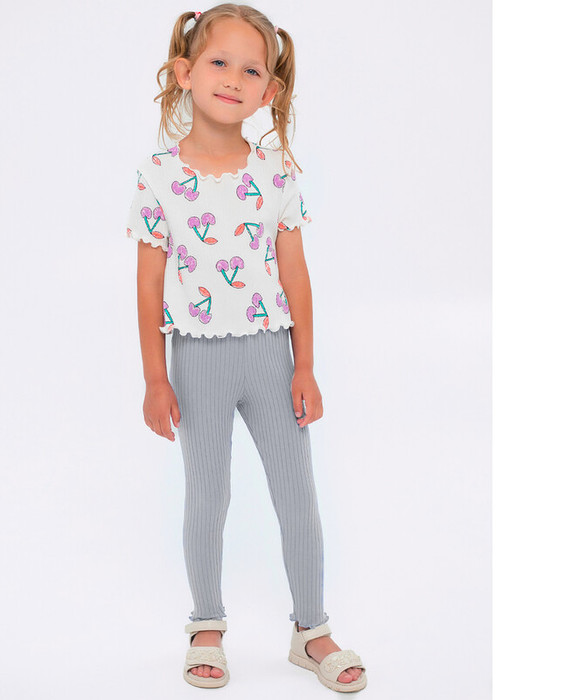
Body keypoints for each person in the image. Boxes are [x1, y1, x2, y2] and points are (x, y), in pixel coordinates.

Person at [124, 4, 367, 692]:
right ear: (185, 73)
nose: (233, 78)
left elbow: (296, 274)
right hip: (196, 359)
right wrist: (155, 378)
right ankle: (206, 623)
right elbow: (148, 286)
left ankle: (311, 630)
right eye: (219, 62)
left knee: (298, 497)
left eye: (251, 70)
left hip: (269, 356)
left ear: (270, 91)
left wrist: (305, 365)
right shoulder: (159, 175)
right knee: (207, 497)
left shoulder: (276, 172)